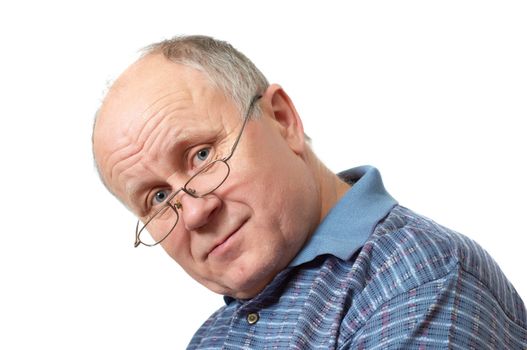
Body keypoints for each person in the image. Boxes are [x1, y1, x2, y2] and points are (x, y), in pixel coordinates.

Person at [92, 35, 527, 349]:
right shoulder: (211, 338)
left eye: (202, 155)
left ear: (282, 120)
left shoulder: (417, 283)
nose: (193, 214)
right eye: (158, 198)